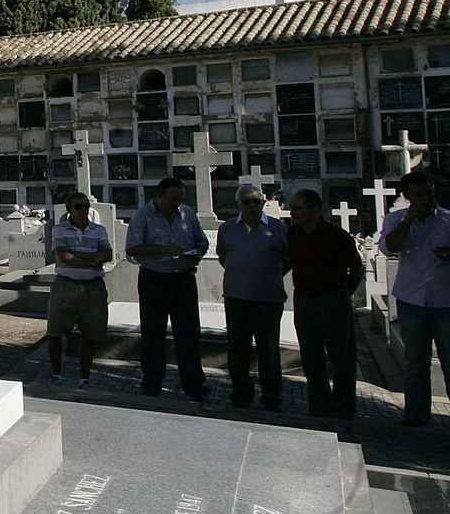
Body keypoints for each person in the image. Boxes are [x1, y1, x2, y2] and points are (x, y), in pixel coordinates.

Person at [126, 176, 211, 401]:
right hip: (154, 280)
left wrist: (199, 251)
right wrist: (164, 251)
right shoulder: (142, 216)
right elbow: (133, 248)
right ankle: (152, 383)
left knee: (189, 334)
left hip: (183, 280)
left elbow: (201, 239)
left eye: (180, 200)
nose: (177, 204)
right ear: (160, 195)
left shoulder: (187, 214)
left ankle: (194, 385)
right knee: (153, 334)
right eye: (173, 199)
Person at [379, 170, 450, 427]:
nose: (424, 199)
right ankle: (416, 416)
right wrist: (408, 221)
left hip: (445, 303)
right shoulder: (396, 219)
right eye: (418, 195)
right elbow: (388, 248)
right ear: (407, 197)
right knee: (416, 363)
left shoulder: (448, 220)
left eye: (428, 193)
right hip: (412, 302)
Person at [286, 188, 365, 419]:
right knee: (311, 356)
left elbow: (357, 269)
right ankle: (319, 407)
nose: (293, 212)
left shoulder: (337, 236)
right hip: (304, 299)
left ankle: (343, 408)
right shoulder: (292, 234)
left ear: (315, 210)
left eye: (298, 208)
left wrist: (343, 294)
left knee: (341, 357)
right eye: (292, 208)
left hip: (333, 297)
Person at [216, 184, 290, 411]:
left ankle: (271, 397)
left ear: (264, 202)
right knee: (238, 349)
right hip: (236, 297)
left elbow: (288, 259)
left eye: (256, 201)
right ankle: (241, 394)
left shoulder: (278, 228)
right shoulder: (228, 228)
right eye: (246, 202)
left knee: (268, 350)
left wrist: (267, 275)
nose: (252, 206)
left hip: (268, 299)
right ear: (238, 204)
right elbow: (223, 256)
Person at [48, 191, 112, 388]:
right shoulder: (59, 230)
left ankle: (84, 377)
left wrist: (78, 257)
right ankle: (56, 374)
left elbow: (107, 255)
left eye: (86, 206)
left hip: (93, 287)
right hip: (65, 286)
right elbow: (62, 256)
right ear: (69, 210)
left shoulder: (99, 230)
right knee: (55, 332)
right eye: (78, 206)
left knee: (90, 334)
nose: (84, 210)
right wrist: (92, 259)